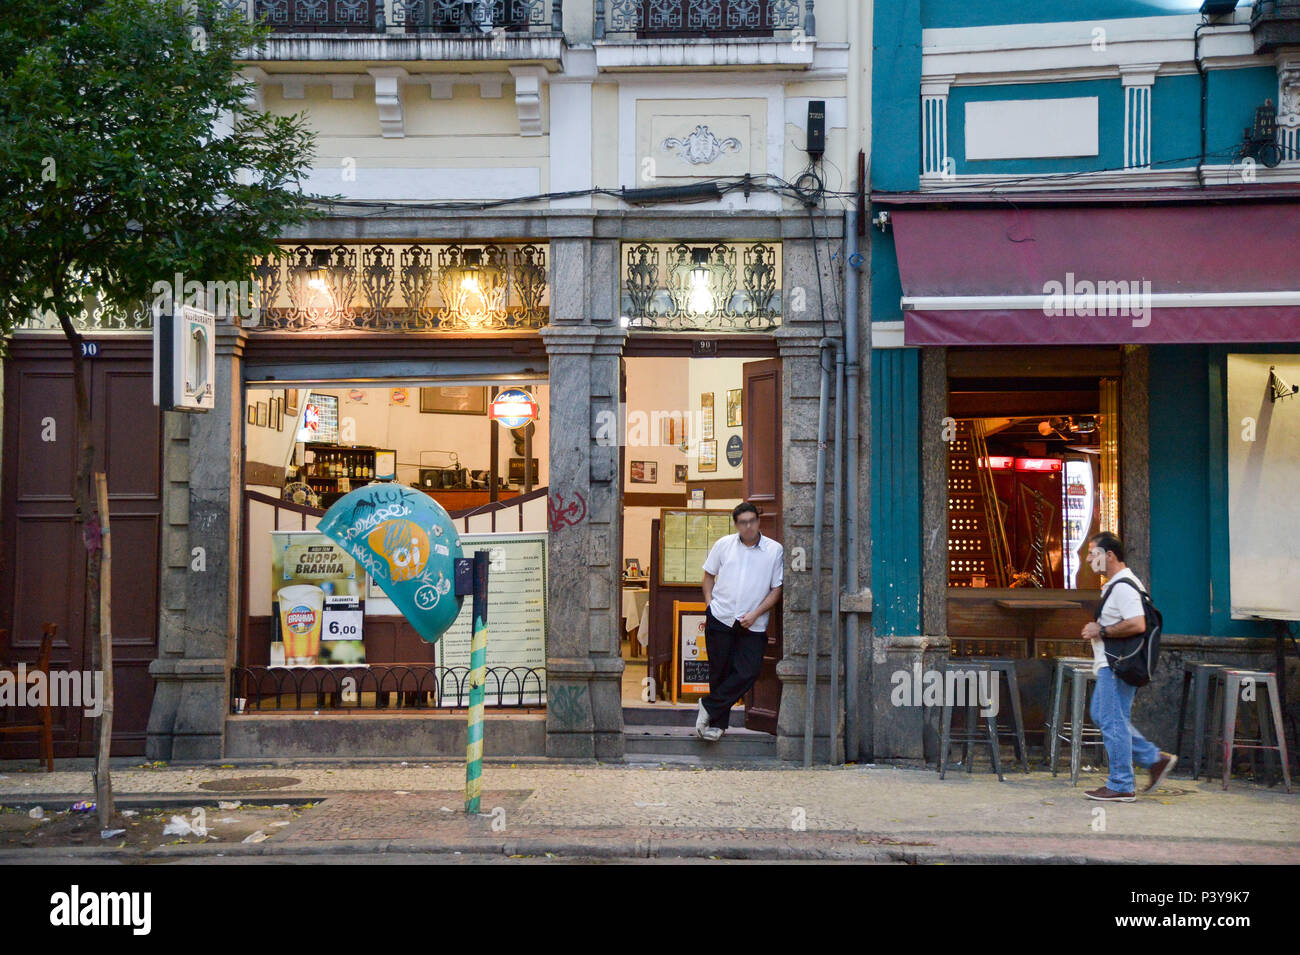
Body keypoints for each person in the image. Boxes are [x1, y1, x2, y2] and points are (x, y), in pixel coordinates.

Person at [1079, 532, 1176, 801]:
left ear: (1109, 555)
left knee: (1110, 719)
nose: (1088, 559)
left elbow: (1137, 624)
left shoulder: (1123, 586)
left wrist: (1101, 630)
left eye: (1092, 553)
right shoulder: (1118, 584)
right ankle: (1154, 760)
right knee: (1104, 715)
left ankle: (1121, 783)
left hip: (1117, 665)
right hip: (1116, 664)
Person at [696, 502, 784, 741]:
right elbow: (708, 576)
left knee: (750, 670)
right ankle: (717, 726)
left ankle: (709, 705)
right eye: (743, 522)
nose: (748, 526)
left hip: (752, 623)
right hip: (721, 616)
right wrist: (709, 605)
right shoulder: (723, 545)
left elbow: (776, 589)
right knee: (719, 671)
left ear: (758, 521)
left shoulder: (774, 550)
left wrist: (756, 613)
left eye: (752, 521)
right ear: (736, 524)